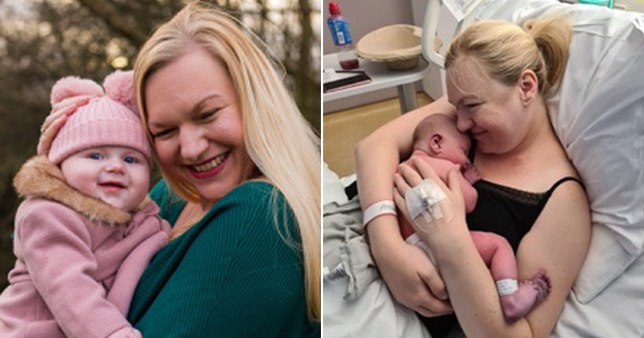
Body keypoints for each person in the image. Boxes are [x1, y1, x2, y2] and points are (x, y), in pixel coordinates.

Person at [38, 2, 321, 337]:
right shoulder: (170, 200)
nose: (190, 148)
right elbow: (59, 253)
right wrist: (73, 161)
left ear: (255, 100)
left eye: (207, 114)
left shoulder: (256, 214)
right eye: (165, 132)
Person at [355, 16, 591, 337]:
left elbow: (522, 334)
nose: (461, 123)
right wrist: (388, 248)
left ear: (526, 86)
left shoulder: (563, 202)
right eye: (455, 106)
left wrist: (451, 244)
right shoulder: (464, 106)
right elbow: (372, 147)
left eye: (471, 107)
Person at [0, 71, 170, 338]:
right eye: (95, 155)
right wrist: (111, 332)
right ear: (61, 164)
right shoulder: (47, 214)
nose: (115, 167)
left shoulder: (144, 220)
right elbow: (67, 285)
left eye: (130, 159)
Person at [398, 113, 550, 323]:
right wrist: (465, 181)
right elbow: (469, 201)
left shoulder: (402, 169)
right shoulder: (442, 166)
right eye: (463, 151)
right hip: (433, 247)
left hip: (410, 251)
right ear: (436, 143)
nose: (466, 160)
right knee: (498, 246)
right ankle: (510, 296)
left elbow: (431, 199)